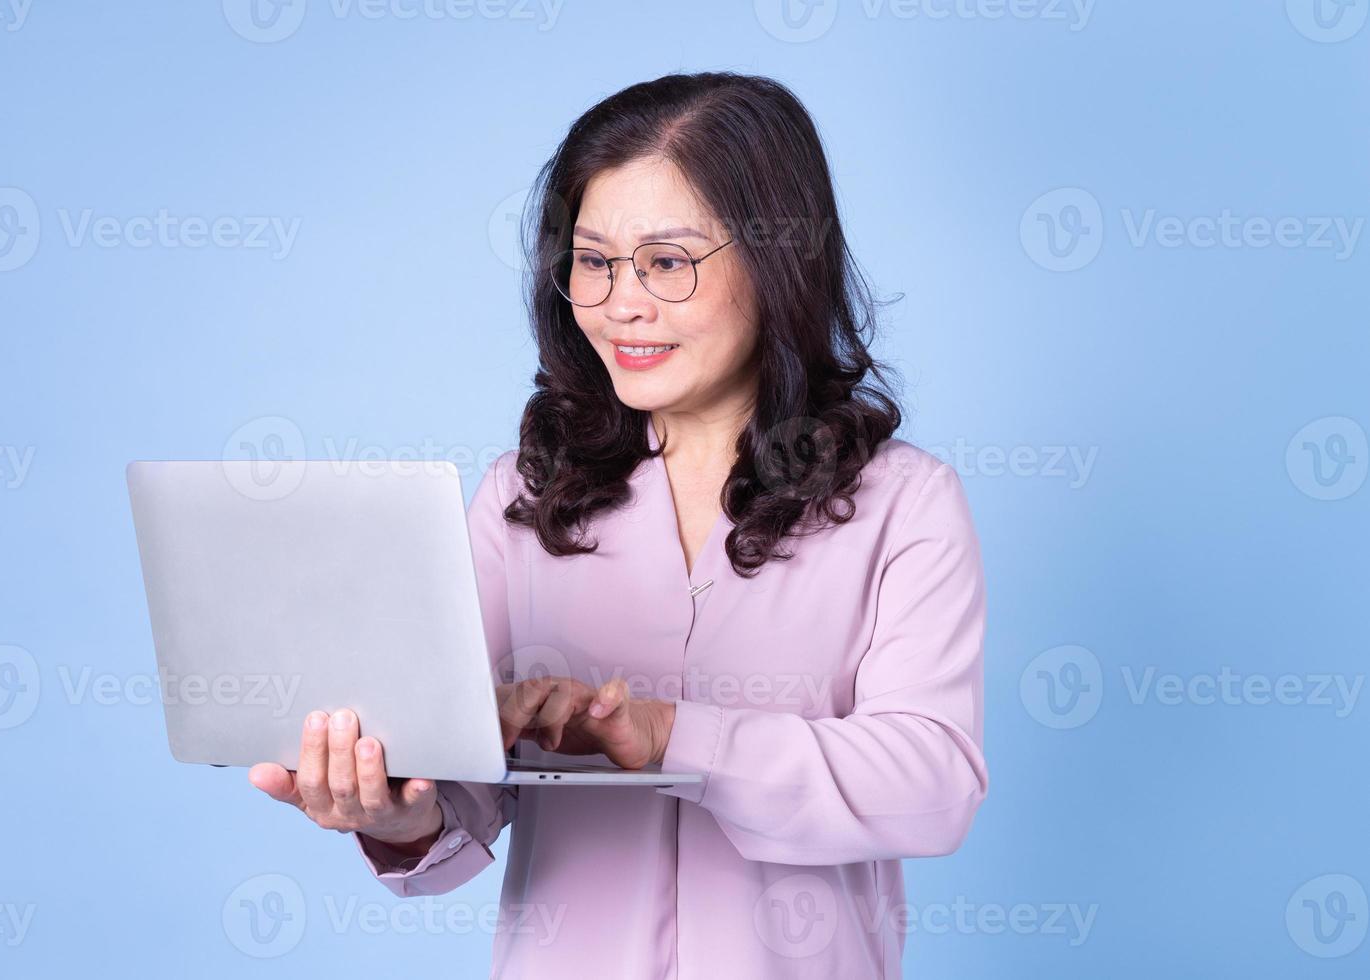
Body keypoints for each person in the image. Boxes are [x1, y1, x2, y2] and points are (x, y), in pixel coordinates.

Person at [248, 70, 988, 979]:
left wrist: (676, 735)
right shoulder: (524, 498)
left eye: (667, 263)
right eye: (593, 261)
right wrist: (396, 814)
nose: (620, 303)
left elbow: (931, 784)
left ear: (777, 261)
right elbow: (463, 785)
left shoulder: (901, 504)